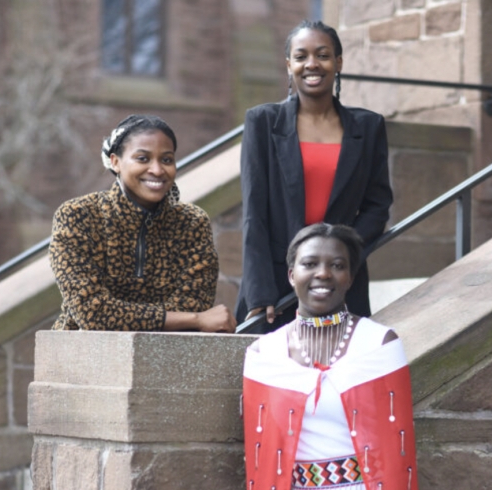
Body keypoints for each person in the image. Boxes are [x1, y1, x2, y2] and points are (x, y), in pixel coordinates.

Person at [236, 20, 393, 332]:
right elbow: (254, 213)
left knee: (342, 373)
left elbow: (378, 206)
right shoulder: (262, 122)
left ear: (338, 63)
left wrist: (341, 252)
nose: (312, 64)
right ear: (289, 65)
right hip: (277, 285)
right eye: (301, 56)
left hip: (340, 281)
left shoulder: (369, 127)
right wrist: (259, 289)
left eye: (322, 55)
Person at [242, 223, 417, 490]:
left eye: (337, 265)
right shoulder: (263, 355)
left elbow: (397, 456)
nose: (323, 273)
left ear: (350, 277)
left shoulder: (380, 345)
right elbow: (261, 462)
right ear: (291, 275)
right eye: (310, 264)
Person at [49, 114, 236, 333]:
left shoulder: (192, 223)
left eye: (166, 160)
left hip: (164, 358)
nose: (157, 170)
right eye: (143, 158)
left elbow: (193, 303)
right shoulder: (77, 216)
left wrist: (187, 316)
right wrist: (193, 319)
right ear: (115, 161)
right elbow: (92, 313)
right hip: (83, 357)